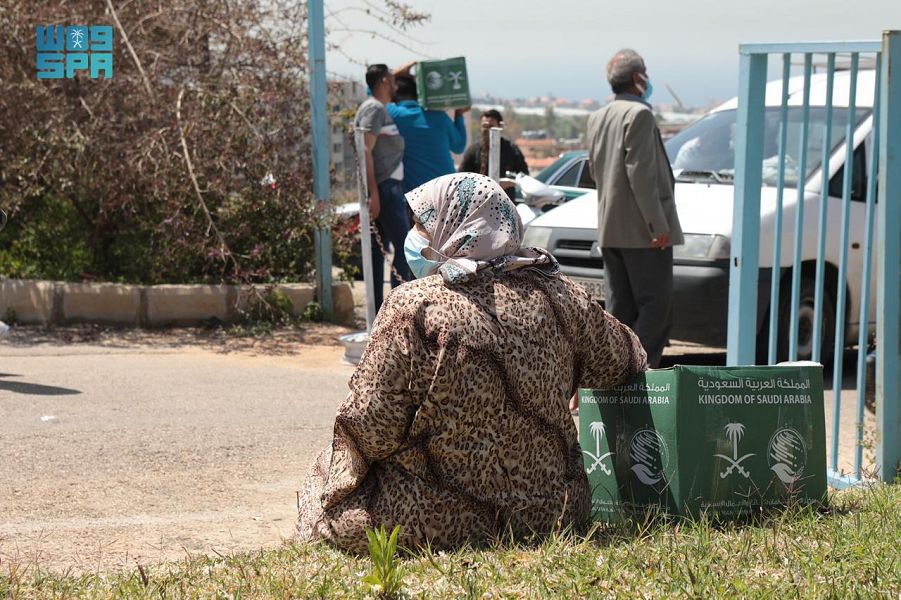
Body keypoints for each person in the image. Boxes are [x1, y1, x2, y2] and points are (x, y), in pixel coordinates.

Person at [296, 173, 647, 553]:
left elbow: (372, 428)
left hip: (429, 522)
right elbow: (627, 361)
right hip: (555, 514)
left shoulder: (415, 306)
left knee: (321, 480)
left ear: (454, 224)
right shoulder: (564, 294)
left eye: (421, 226)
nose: (415, 237)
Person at [586, 49, 684, 368]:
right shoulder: (639, 115)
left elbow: (594, 170)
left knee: (620, 311)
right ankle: (633, 372)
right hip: (643, 231)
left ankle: (610, 375)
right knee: (657, 308)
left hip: (611, 228)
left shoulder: (597, 117)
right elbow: (640, 173)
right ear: (638, 78)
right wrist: (658, 225)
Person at [355, 63, 413, 312]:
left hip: (387, 186)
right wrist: (373, 193)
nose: (396, 84)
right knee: (405, 248)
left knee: (379, 252)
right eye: (391, 80)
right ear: (383, 83)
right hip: (385, 188)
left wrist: (408, 66)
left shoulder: (377, 107)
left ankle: (380, 311)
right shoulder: (374, 109)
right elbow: (365, 149)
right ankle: (397, 310)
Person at [387, 72, 468, 192]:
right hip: (449, 190)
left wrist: (396, 73)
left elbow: (374, 91)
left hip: (419, 197)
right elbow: (459, 146)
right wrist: (459, 115)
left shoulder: (395, 114)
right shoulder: (439, 115)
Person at [458, 109, 530, 200]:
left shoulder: (511, 150)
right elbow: (462, 177)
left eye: (491, 126)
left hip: (504, 202)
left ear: (500, 126)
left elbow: (524, 176)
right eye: (484, 126)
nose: (487, 130)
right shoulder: (473, 151)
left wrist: (509, 182)